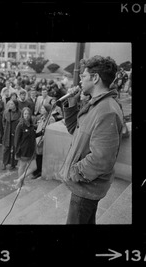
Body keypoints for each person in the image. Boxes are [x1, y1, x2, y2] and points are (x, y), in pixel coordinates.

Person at [60, 55, 123, 224]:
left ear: (95, 78)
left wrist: (73, 172)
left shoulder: (106, 110)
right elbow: (75, 130)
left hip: (85, 187)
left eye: (83, 76)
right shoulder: (96, 104)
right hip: (85, 186)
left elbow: (101, 159)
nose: (80, 80)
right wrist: (72, 104)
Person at [32, 103, 56, 180]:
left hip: (44, 141)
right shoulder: (42, 117)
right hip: (38, 140)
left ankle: (39, 171)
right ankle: (37, 170)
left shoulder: (51, 119)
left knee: (41, 156)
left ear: (47, 110)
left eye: (43, 109)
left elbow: (52, 130)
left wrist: (44, 137)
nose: (41, 110)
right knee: (38, 156)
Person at [2, 100, 21, 170]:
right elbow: (3, 121)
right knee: (6, 148)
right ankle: (4, 163)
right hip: (7, 132)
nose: (10, 105)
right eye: (9, 104)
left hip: (15, 132)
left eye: (12, 104)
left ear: (15, 105)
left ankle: (13, 163)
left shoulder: (20, 113)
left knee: (15, 148)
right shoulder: (6, 112)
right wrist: (5, 128)